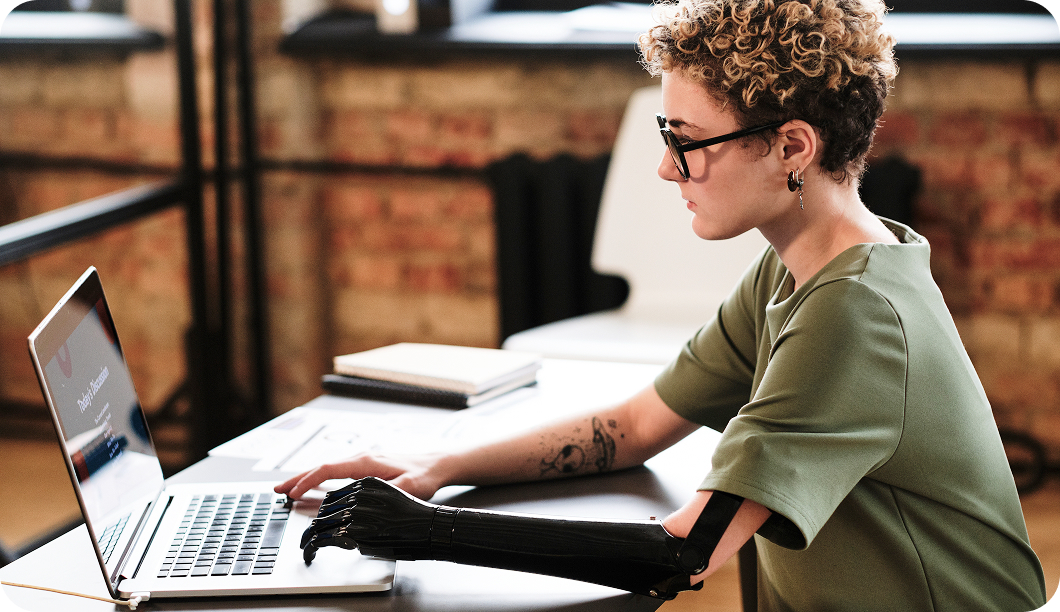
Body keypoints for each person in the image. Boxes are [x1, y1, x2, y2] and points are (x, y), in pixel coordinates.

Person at [278, 0, 1048, 609]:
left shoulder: (854, 314)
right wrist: (433, 467)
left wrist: (424, 533)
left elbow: (686, 552)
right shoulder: (796, 272)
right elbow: (633, 428)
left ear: (792, 148)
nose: (664, 168)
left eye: (687, 140)